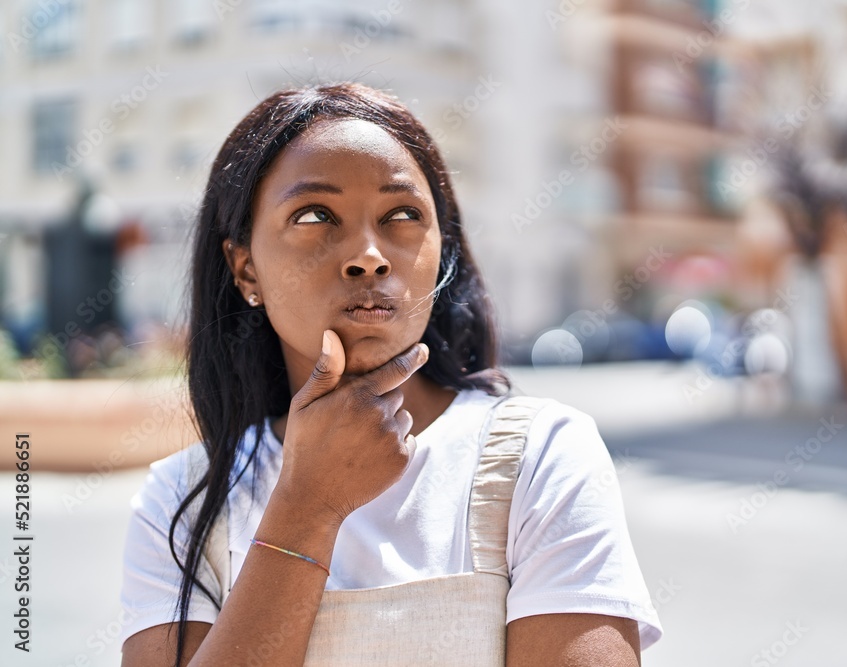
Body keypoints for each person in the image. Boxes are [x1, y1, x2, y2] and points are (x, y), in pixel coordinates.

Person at [117, 82, 662, 666]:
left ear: (440, 252)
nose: (369, 255)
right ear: (246, 269)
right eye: (315, 215)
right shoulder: (183, 500)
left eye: (402, 214)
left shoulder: (540, 456)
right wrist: (307, 507)